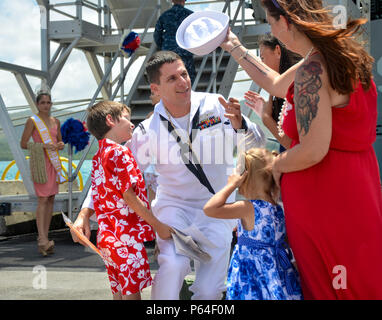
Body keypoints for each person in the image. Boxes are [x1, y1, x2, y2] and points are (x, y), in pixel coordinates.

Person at [220, 0, 382, 299]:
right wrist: (234, 47)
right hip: (356, 186)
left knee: (334, 287)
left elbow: (312, 150)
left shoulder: (312, 70)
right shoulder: (336, 56)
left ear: (286, 23)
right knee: (356, 280)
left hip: (326, 198)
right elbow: (278, 84)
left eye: (270, 21)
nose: (270, 28)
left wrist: (272, 166)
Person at [73, 50, 266, 300]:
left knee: (209, 292)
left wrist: (243, 126)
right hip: (175, 210)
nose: (183, 82)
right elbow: (110, 177)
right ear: (156, 88)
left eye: (184, 74)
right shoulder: (147, 130)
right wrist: (84, 214)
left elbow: (256, 146)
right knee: (173, 268)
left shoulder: (215, 106)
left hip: (217, 211)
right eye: (172, 79)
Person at [85, 100, 173, 300]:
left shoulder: (99, 156)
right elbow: (129, 196)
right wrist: (156, 223)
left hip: (107, 236)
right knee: (132, 294)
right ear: (110, 120)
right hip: (126, 236)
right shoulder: (121, 152)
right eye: (126, 118)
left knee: (119, 291)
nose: (132, 124)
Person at [204, 148, 302, 300]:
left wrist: (230, 186)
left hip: (252, 277)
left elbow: (210, 209)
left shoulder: (247, 207)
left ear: (245, 178)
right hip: (276, 274)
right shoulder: (278, 209)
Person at [20, 92, 65, 256]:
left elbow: (59, 141)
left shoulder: (56, 121)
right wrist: (43, 147)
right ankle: (42, 239)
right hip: (40, 164)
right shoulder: (32, 121)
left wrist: (60, 145)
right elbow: (24, 143)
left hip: (53, 163)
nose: (46, 105)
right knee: (43, 199)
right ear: (37, 104)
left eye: (48, 102)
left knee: (51, 198)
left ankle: (45, 238)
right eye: (43, 102)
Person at [244, 35, 301, 151]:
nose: (262, 64)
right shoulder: (285, 88)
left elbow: (292, 145)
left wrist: (266, 118)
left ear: (278, 51)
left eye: (263, 58)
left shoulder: (296, 87)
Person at [154, 0, 196, 84]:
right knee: (188, 78)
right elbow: (196, 34)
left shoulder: (164, 15)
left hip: (168, 53)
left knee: (169, 78)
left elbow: (157, 36)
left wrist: (163, 47)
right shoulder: (190, 15)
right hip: (185, 52)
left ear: (172, 1)